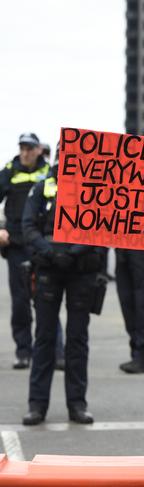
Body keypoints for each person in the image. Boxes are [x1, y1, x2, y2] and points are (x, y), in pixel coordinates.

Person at [21, 158, 103, 425]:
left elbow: (101, 226)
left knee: (77, 339)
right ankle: (37, 405)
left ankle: (77, 404)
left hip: (80, 270)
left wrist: (72, 252)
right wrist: (51, 252)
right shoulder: (43, 186)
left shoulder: (92, 186)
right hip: (48, 268)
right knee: (44, 338)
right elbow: (28, 226)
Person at [0, 133, 49, 369]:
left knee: (46, 300)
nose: (25, 152)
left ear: (39, 149)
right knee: (20, 302)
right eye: (22, 148)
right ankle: (23, 351)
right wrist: (0, 229)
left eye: (29, 148)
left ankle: (53, 351)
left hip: (42, 246)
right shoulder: (10, 170)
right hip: (17, 246)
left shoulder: (48, 171)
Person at [115, 248, 144, 373]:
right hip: (123, 252)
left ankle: (143, 356)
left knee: (142, 308)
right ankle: (136, 352)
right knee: (127, 305)